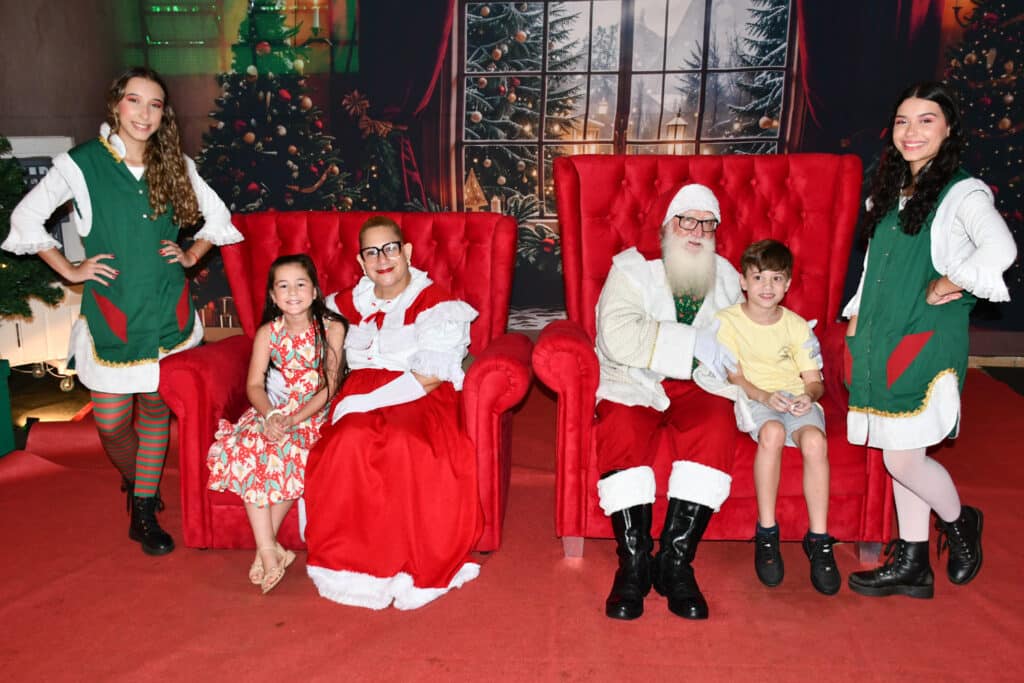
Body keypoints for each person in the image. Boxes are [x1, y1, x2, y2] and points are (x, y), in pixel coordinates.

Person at [2, 66, 242, 555]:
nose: (144, 114)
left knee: (154, 409)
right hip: (113, 312)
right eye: (135, 100)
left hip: (166, 310)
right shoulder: (82, 164)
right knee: (111, 422)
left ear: (163, 113)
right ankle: (137, 480)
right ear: (116, 103)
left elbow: (218, 217)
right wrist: (71, 270)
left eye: (155, 104)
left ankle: (143, 510)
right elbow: (25, 219)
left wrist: (191, 255)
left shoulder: (174, 162)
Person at [843, 81, 1016, 598]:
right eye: (902, 121)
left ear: (948, 129)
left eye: (926, 120)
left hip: (925, 338)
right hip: (881, 334)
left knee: (901, 457)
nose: (911, 132)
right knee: (903, 450)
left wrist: (949, 281)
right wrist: (855, 319)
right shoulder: (891, 191)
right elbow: (875, 268)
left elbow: (1001, 249)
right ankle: (913, 563)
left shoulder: (962, 192)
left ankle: (960, 521)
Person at [302, 216, 483, 610]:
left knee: (404, 445)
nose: (382, 259)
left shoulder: (434, 302)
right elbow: (300, 324)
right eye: (371, 252)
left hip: (415, 395)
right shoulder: (347, 302)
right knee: (348, 442)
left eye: (390, 249)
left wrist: (359, 403)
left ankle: (408, 563)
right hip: (359, 394)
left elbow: (430, 377)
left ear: (407, 252)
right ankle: (352, 566)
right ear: (361, 261)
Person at [593, 183, 747, 621]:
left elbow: (743, 335)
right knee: (621, 428)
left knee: (716, 424)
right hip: (634, 377)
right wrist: (692, 341)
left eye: (707, 224)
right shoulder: (631, 270)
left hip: (699, 382)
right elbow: (617, 336)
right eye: (687, 220)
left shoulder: (728, 277)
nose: (697, 231)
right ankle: (634, 564)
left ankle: (675, 563)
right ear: (667, 226)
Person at [206, 254, 346, 593]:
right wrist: (270, 415)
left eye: (300, 284)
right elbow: (254, 385)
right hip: (273, 409)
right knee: (249, 447)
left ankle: (266, 550)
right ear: (272, 295)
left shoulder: (331, 328)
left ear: (314, 291)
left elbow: (330, 386)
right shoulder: (268, 333)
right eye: (283, 286)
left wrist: (295, 418)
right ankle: (270, 549)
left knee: (289, 450)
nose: (292, 292)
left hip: (312, 411)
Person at [713, 239, 839, 596]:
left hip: (794, 397)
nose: (766, 287)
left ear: (787, 284)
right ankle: (767, 532)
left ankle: (819, 538)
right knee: (771, 432)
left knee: (814, 441)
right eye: (758, 278)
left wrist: (806, 397)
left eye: (776, 278)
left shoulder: (796, 325)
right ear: (743, 281)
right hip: (756, 396)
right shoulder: (727, 321)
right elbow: (735, 377)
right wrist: (765, 397)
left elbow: (814, 381)